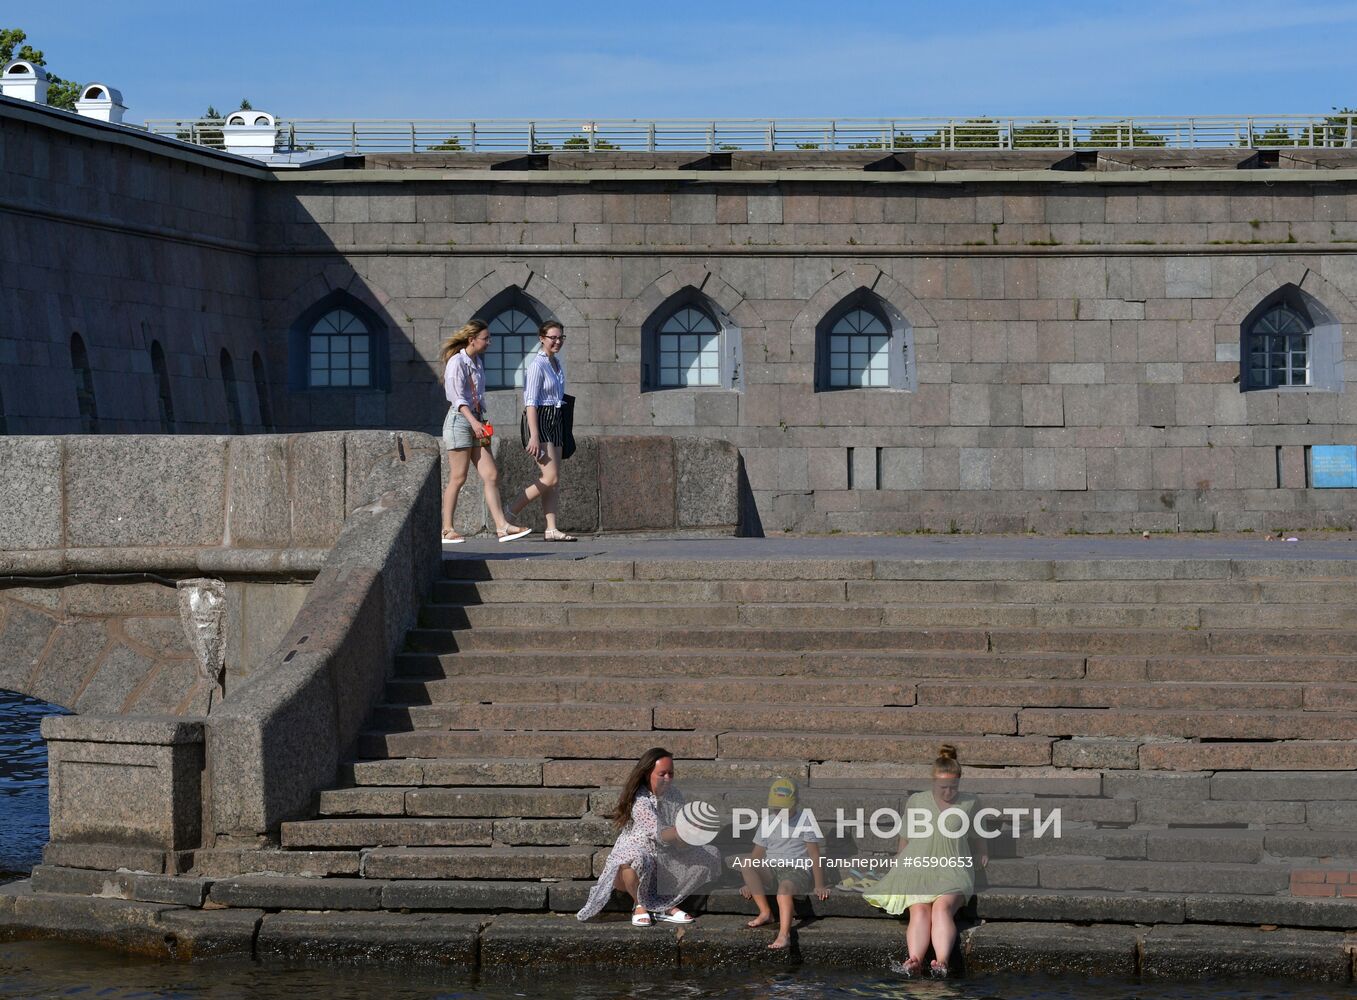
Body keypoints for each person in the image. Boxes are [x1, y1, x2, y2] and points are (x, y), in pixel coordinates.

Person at [862, 744, 988, 979]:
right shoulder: (918, 801)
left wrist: (982, 851)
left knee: (941, 908)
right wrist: (900, 859)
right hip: (918, 866)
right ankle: (915, 961)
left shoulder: (970, 802)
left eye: (953, 787)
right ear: (933, 782)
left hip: (953, 868)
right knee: (919, 909)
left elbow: (978, 833)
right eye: (943, 787)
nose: (948, 792)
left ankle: (941, 962)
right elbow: (905, 835)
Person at [576, 747, 723, 926]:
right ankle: (639, 905)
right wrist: (684, 830)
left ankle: (665, 905)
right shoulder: (640, 800)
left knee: (710, 853)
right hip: (638, 854)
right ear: (647, 774)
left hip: (667, 853)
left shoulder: (675, 794)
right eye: (662, 774)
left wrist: (692, 834)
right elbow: (659, 832)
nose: (668, 778)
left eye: (671, 773)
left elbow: (679, 831)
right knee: (635, 859)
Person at [438, 319, 531, 546]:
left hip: (477, 421)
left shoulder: (477, 362)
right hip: (460, 422)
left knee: (491, 475)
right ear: (472, 340)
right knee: (458, 477)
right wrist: (474, 422)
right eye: (486, 338)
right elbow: (456, 398)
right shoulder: (456, 362)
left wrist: (481, 421)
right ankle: (446, 529)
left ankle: (502, 526)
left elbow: (477, 396)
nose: (489, 342)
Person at [504, 320, 576, 541]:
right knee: (550, 477)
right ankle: (509, 512)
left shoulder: (556, 363)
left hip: (557, 418)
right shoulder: (537, 365)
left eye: (560, 337)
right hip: (541, 420)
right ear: (542, 338)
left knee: (555, 478)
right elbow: (531, 403)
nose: (557, 341)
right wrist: (534, 435)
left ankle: (551, 528)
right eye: (553, 337)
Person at [738, 776, 829, 950]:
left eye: (785, 808)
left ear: (796, 803)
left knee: (784, 891)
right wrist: (750, 882)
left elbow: (814, 854)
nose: (780, 812)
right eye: (776, 808)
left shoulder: (805, 821)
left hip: (796, 870)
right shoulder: (767, 822)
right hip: (772, 868)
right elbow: (756, 855)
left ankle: (784, 934)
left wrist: (819, 884)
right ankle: (766, 913)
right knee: (746, 863)